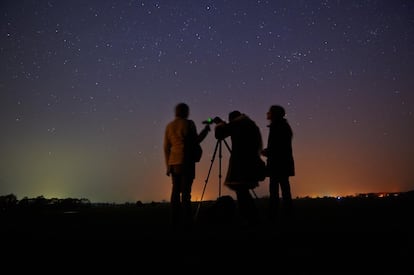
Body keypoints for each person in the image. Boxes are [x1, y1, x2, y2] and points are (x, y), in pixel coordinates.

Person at [164, 102, 210, 228]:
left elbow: (166, 147)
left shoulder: (169, 126)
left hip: (174, 163)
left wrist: (168, 165)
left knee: (175, 192)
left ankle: (174, 220)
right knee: (185, 193)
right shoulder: (189, 124)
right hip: (186, 162)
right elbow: (196, 141)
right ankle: (187, 221)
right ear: (185, 112)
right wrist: (206, 130)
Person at [214, 110, 264, 226]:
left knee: (242, 192)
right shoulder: (250, 124)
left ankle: (250, 218)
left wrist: (219, 124)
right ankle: (252, 218)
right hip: (251, 163)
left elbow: (220, 134)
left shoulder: (238, 124)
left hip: (241, 165)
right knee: (243, 191)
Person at [261, 105, 295, 222]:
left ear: (274, 114)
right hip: (283, 164)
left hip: (278, 164)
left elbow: (277, 147)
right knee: (285, 189)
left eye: (269, 112)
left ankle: (274, 215)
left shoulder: (277, 127)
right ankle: (287, 214)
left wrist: (265, 152)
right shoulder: (282, 126)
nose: (267, 113)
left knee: (275, 191)